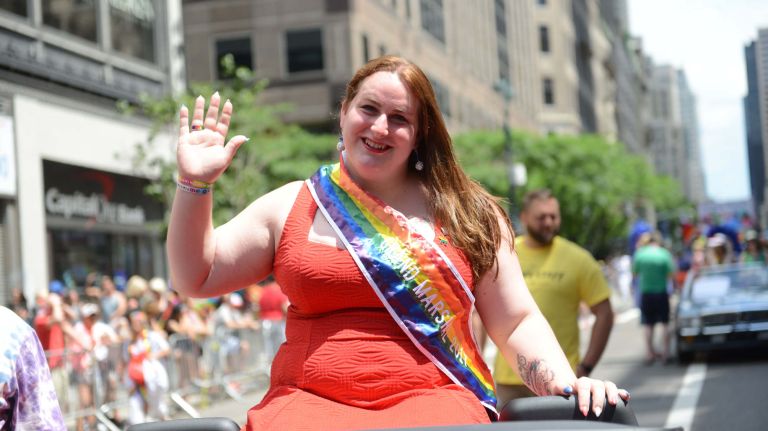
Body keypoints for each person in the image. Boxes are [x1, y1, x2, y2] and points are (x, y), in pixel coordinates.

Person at [167, 55, 629, 430]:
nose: (380, 127)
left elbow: (514, 321)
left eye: (399, 118)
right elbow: (196, 275)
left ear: (420, 134)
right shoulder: (292, 204)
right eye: (368, 109)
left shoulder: (470, 214)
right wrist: (194, 185)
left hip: (435, 406)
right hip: (304, 408)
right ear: (344, 112)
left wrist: (567, 384)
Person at [491, 190, 615, 408]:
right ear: (524, 217)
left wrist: (585, 367)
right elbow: (480, 313)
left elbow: (604, 313)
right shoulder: (506, 253)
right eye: (541, 217)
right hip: (508, 383)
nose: (548, 222)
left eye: (553, 217)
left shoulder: (578, 258)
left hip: (558, 382)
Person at [1, 305, 66, 430]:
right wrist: (56, 303)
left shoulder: (14, 330)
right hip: (48, 366)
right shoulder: (40, 320)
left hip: (55, 366)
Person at [632, 232, 676, 364]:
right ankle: (666, 353)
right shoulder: (664, 254)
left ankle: (649, 353)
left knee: (648, 325)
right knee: (665, 323)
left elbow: (635, 275)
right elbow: (671, 275)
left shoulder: (640, 254)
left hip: (646, 294)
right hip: (661, 293)